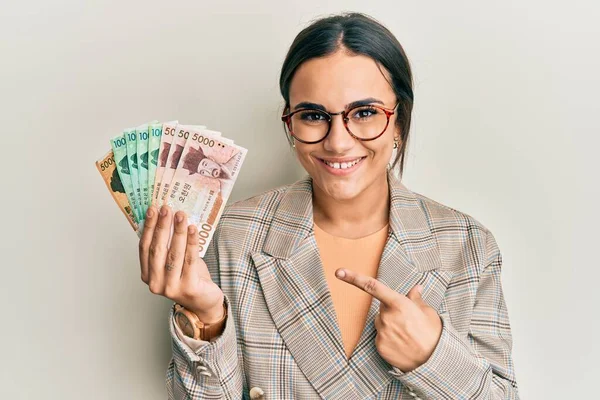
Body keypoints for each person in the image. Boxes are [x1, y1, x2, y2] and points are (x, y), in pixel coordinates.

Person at [138, 12, 519, 399]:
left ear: (400, 121)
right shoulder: (235, 235)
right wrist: (206, 318)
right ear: (290, 124)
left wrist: (431, 357)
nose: (338, 142)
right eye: (314, 116)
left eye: (365, 113)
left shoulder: (468, 246)